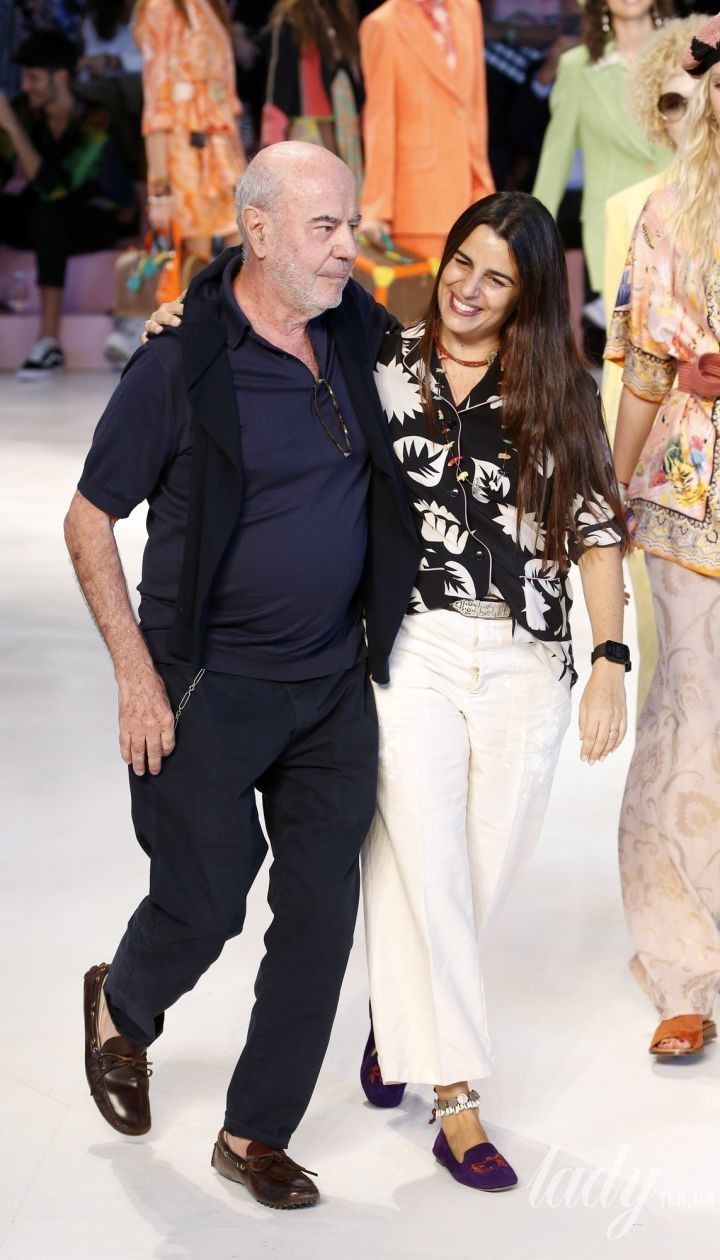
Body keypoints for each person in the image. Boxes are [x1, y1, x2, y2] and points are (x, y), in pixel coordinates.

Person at [149, 187, 631, 1192]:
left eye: (498, 279)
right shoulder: (381, 360)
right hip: (413, 648)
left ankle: (401, 1022)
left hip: (527, 658)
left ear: (529, 296)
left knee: (481, 871)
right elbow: (267, 305)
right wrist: (185, 316)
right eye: (462, 263)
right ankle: (456, 1100)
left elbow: (594, 528)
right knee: (429, 871)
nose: (470, 289)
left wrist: (609, 659)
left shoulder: (560, 389)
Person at [65, 141, 418, 1210]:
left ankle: (255, 1131)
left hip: (331, 684)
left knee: (320, 910)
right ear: (258, 232)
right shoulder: (178, 365)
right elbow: (88, 521)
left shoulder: (353, 327)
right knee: (204, 901)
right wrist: (136, 677)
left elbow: (452, 360)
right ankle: (123, 1006)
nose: (349, 248)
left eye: (352, 224)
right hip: (205, 689)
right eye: (326, 227)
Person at [605, 10, 720, 1060]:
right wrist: (605, 488)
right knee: (691, 715)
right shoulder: (667, 214)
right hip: (691, 497)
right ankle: (684, 960)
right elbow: (645, 365)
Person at [601, 15, 702, 712]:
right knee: (667, 655)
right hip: (672, 452)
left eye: (700, 96)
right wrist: (618, 479)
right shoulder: (634, 209)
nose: (688, 115)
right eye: (671, 101)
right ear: (654, 113)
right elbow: (633, 360)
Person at [0, 31, 137, 378]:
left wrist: (13, 129)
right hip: (43, 215)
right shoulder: (25, 111)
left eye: (33, 78)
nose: (26, 87)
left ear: (60, 77)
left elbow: (57, 187)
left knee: (50, 213)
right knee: (38, 213)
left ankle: (48, 342)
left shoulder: (95, 119)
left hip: (99, 217)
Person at [533, 0, 675, 308]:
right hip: (615, 229)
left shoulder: (686, 56)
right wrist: (531, 233)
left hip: (683, 219)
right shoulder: (578, 67)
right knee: (627, 331)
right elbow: (556, 158)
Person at [359, 0, 494, 260]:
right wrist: (376, 209)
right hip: (416, 206)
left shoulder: (468, 9)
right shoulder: (383, 25)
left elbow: (475, 108)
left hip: (469, 195)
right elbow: (380, 119)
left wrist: (483, 184)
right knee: (422, 286)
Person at [132, 0, 247, 262]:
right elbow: (158, 102)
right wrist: (159, 192)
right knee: (195, 262)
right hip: (183, 150)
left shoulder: (209, 6)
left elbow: (226, 95)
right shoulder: (161, 7)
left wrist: (242, 166)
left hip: (221, 149)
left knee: (243, 254)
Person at [261, 0, 364, 187]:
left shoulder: (340, 15)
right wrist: (271, 141)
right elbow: (280, 82)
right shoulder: (292, 20)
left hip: (344, 127)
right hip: (306, 129)